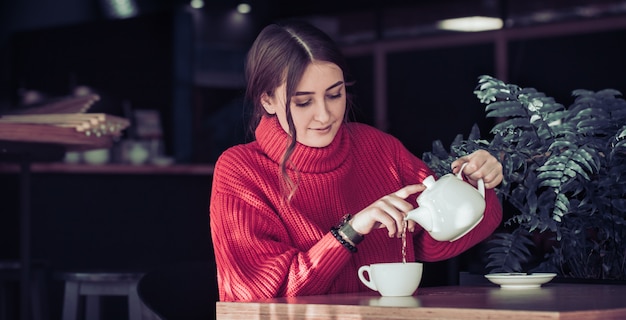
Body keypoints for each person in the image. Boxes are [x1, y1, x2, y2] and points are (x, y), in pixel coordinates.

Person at [209, 20, 503, 302]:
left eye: (334, 95)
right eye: (304, 101)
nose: (324, 115)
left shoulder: (379, 148)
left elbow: (436, 240)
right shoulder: (240, 171)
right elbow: (257, 298)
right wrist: (351, 231)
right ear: (267, 100)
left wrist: (477, 184)